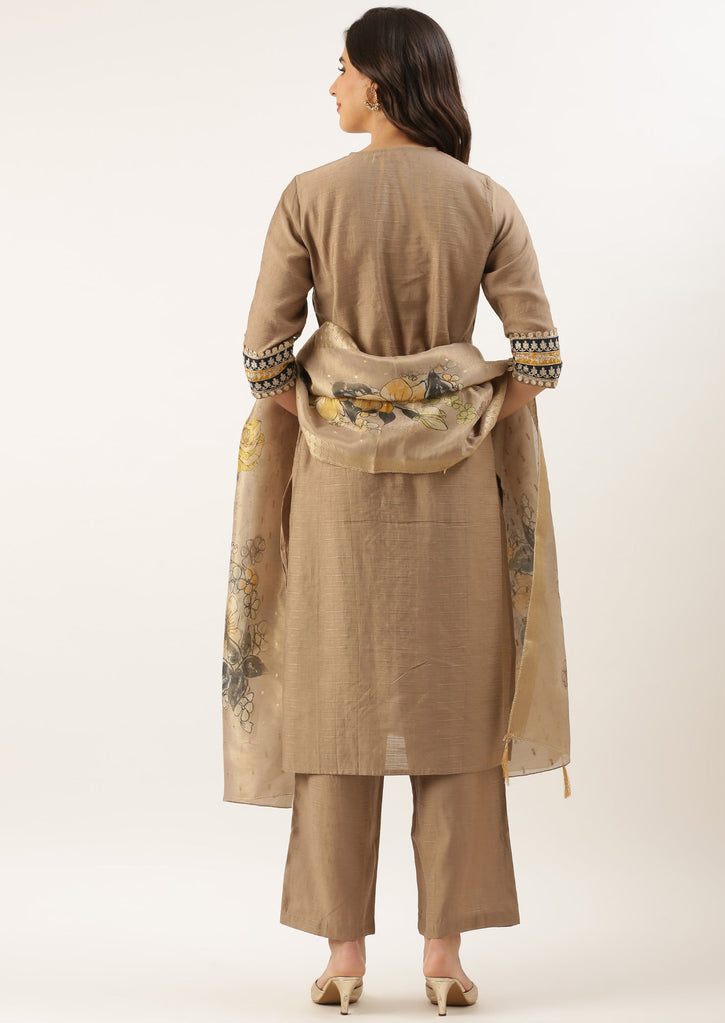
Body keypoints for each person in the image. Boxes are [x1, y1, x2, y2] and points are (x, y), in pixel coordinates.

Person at [222, 6, 570, 1016]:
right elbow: (539, 356)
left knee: (335, 712)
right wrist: (467, 415)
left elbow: (261, 357)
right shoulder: (483, 198)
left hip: (336, 498)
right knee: (455, 712)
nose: (330, 86)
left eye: (340, 68)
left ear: (377, 80)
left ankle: (341, 961)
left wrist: (325, 416)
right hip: (456, 498)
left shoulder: (308, 196)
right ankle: (443, 962)